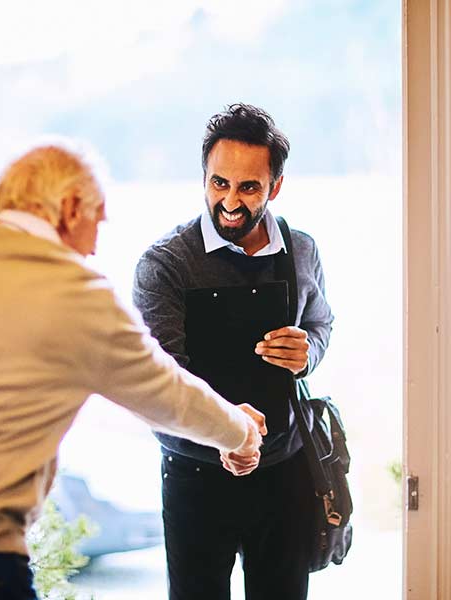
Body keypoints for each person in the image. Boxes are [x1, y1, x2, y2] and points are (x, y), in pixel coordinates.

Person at [0, 143, 266, 600]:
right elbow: (172, 397)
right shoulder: (81, 295)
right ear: (70, 208)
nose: (95, 245)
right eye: (98, 221)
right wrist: (242, 432)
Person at [133, 104, 334, 600]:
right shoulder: (165, 265)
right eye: (219, 183)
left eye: (248, 188)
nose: (230, 201)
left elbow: (322, 323)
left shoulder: (302, 250)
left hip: (284, 473)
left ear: (275, 187)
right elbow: (158, 384)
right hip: (196, 475)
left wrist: (307, 351)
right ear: (204, 176)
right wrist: (227, 433)